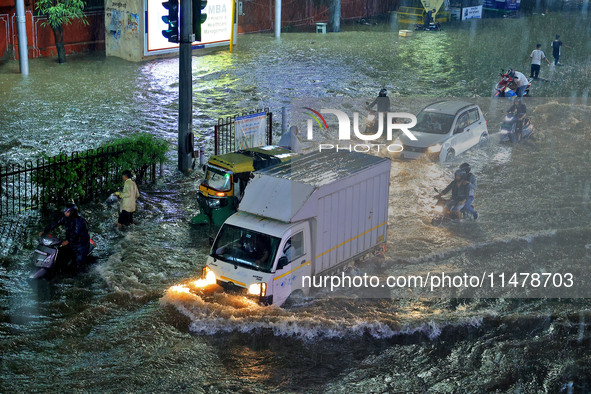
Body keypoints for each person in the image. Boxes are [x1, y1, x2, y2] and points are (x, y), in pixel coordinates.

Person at [39, 203, 91, 270]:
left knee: (79, 263)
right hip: (71, 241)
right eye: (65, 211)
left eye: (67, 211)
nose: (65, 213)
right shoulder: (66, 218)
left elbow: (76, 233)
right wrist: (45, 231)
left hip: (80, 244)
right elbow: (56, 223)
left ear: (72, 212)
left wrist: (68, 240)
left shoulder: (79, 221)